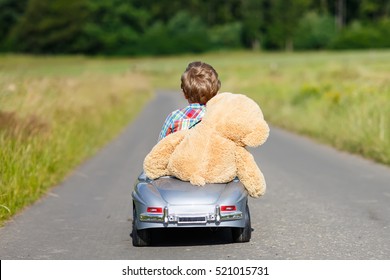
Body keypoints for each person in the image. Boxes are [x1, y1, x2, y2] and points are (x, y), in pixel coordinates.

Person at [158, 61, 221, 141]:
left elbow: (160, 147)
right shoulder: (219, 117)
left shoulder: (174, 118)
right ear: (216, 93)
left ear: (184, 94)